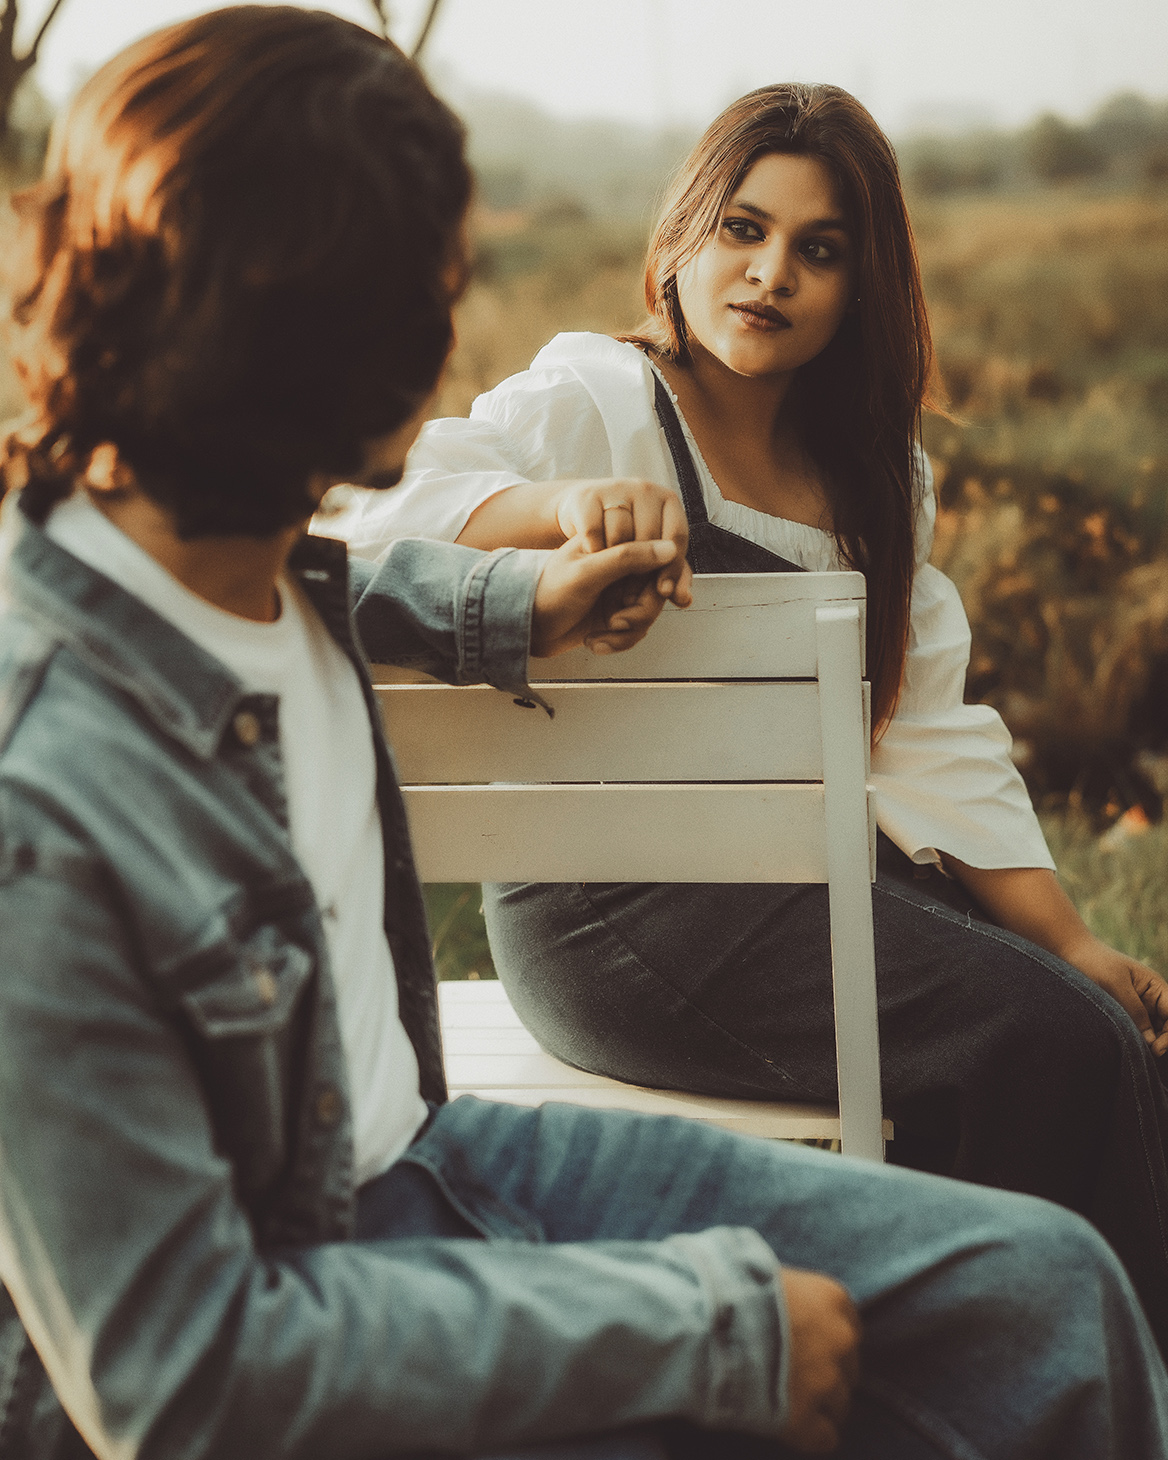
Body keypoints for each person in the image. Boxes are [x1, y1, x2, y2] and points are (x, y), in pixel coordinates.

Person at [0, 13, 1166, 1460]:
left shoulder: (266, 574)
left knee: (1053, 1298)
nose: (445, 329)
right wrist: (709, 1333)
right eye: (420, 290)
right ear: (284, 323)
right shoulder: (41, 789)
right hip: (323, 1264)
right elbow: (177, 1374)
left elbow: (362, 574)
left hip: (426, 1148)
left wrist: (522, 599)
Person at [328, 83, 1168, 1349]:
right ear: (682, 235)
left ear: (862, 285)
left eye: (818, 249)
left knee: (1101, 1024)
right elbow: (373, 518)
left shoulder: (876, 478)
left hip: (809, 883)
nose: (771, 274)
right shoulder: (601, 397)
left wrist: (1069, 937)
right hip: (609, 913)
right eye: (743, 228)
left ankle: (1015, 1364)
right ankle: (1029, 1380)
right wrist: (562, 509)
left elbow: (929, 738)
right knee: (1051, 1046)